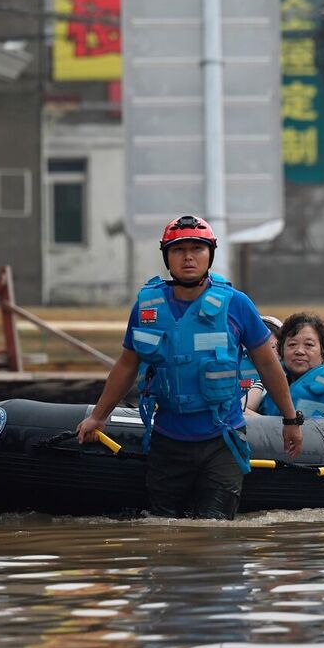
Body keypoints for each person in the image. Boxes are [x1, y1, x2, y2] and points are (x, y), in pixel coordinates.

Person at [75, 215, 303, 520]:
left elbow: (267, 363)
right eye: (179, 250)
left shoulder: (236, 304)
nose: (188, 257)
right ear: (167, 257)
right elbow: (127, 364)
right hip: (168, 441)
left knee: (216, 533)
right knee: (164, 531)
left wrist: (290, 420)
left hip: (221, 440)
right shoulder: (147, 307)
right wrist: (98, 417)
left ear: (210, 254)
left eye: (197, 248)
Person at [239, 315, 282, 391]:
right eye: (259, 345)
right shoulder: (237, 365)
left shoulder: (289, 367)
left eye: (273, 346)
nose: (266, 352)